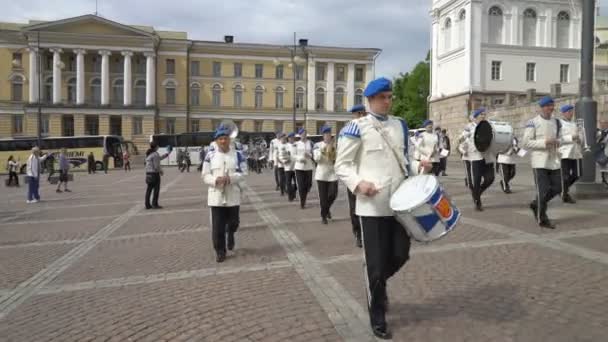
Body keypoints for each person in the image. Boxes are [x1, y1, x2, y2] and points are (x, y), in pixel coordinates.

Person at [335, 77, 411, 339]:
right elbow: (342, 166)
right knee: (376, 267)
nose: (388, 101)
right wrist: (359, 184)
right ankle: (377, 315)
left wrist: (421, 168)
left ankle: (375, 284)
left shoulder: (400, 125)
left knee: (401, 255)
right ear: (370, 101)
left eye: (390, 97)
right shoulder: (355, 128)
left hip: (400, 205)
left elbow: (404, 160)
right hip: (372, 208)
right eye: (382, 97)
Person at [202, 125, 248, 263]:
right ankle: (220, 251)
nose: (223, 141)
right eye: (220, 138)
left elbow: (244, 173)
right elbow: (205, 175)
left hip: (232, 195)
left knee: (234, 223)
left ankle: (231, 233)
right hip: (216, 195)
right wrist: (215, 180)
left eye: (225, 138)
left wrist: (230, 178)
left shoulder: (238, 155)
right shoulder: (210, 155)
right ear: (216, 141)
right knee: (217, 227)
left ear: (230, 140)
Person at [523, 96, 565, 229]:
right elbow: (526, 142)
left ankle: (536, 204)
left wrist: (559, 142)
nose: (550, 108)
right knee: (542, 190)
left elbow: (561, 138)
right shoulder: (533, 122)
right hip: (539, 161)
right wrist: (544, 142)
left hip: (554, 160)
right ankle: (542, 218)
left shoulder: (557, 122)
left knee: (559, 187)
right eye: (547, 106)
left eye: (552, 105)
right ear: (541, 108)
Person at [461, 108, 495, 211]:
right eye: (481, 115)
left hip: (487, 157)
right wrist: (464, 148)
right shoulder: (469, 127)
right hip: (475, 157)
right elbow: (461, 139)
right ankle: (477, 202)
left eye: (484, 114)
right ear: (475, 117)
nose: (483, 116)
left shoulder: (489, 126)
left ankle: (477, 192)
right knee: (476, 181)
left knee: (490, 178)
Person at [342, 104, 367, 247]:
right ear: (354, 115)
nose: (361, 116)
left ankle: (367, 232)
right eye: (359, 114)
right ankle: (358, 233)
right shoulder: (348, 131)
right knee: (354, 207)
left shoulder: (371, 129)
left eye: (363, 113)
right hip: (354, 176)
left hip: (368, 175)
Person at [313, 126, 338, 224]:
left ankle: (326, 209)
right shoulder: (317, 145)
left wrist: (332, 149)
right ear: (323, 136)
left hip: (332, 173)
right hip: (321, 175)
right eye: (326, 135)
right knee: (323, 198)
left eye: (329, 135)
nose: (328, 136)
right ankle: (324, 216)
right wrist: (324, 150)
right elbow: (317, 159)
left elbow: (336, 159)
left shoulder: (334, 146)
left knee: (333, 194)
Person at [559, 104, 582, 204]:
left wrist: (580, 139)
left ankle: (561, 188)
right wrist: (571, 138)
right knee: (565, 176)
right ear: (563, 113)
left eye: (572, 112)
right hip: (565, 153)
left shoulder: (574, 124)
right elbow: (558, 139)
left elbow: (580, 136)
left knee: (578, 174)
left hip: (576, 152)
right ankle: (565, 194)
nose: (571, 114)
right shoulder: (559, 124)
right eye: (569, 112)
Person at [144, 142, 170, 210]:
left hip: (148, 174)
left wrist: (167, 154)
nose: (158, 146)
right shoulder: (155, 154)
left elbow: (159, 158)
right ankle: (155, 204)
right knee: (156, 190)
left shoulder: (149, 154)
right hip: (154, 174)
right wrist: (160, 171)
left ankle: (147, 205)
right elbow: (156, 166)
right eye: (158, 146)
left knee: (149, 190)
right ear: (156, 147)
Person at [294, 128, 315, 209]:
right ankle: (302, 202)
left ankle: (304, 197)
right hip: (299, 167)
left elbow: (314, 154)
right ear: (300, 135)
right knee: (301, 186)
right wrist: (300, 158)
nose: (304, 135)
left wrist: (309, 155)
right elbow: (293, 155)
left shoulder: (311, 143)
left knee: (308, 185)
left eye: (305, 134)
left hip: (309, 167)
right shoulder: (296, 144)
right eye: (302, 134)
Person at [280, 132, 297, 201]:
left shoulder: (297, 145)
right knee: (288, 183)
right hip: (288, 167)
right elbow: (281, 156)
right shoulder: (285, 146)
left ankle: (293, 191)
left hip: (296, 167)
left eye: (293, 137)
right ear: (288, 139)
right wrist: (284, 161)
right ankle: (290, 196)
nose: (292, 139)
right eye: (290, 138)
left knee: (297, 184)